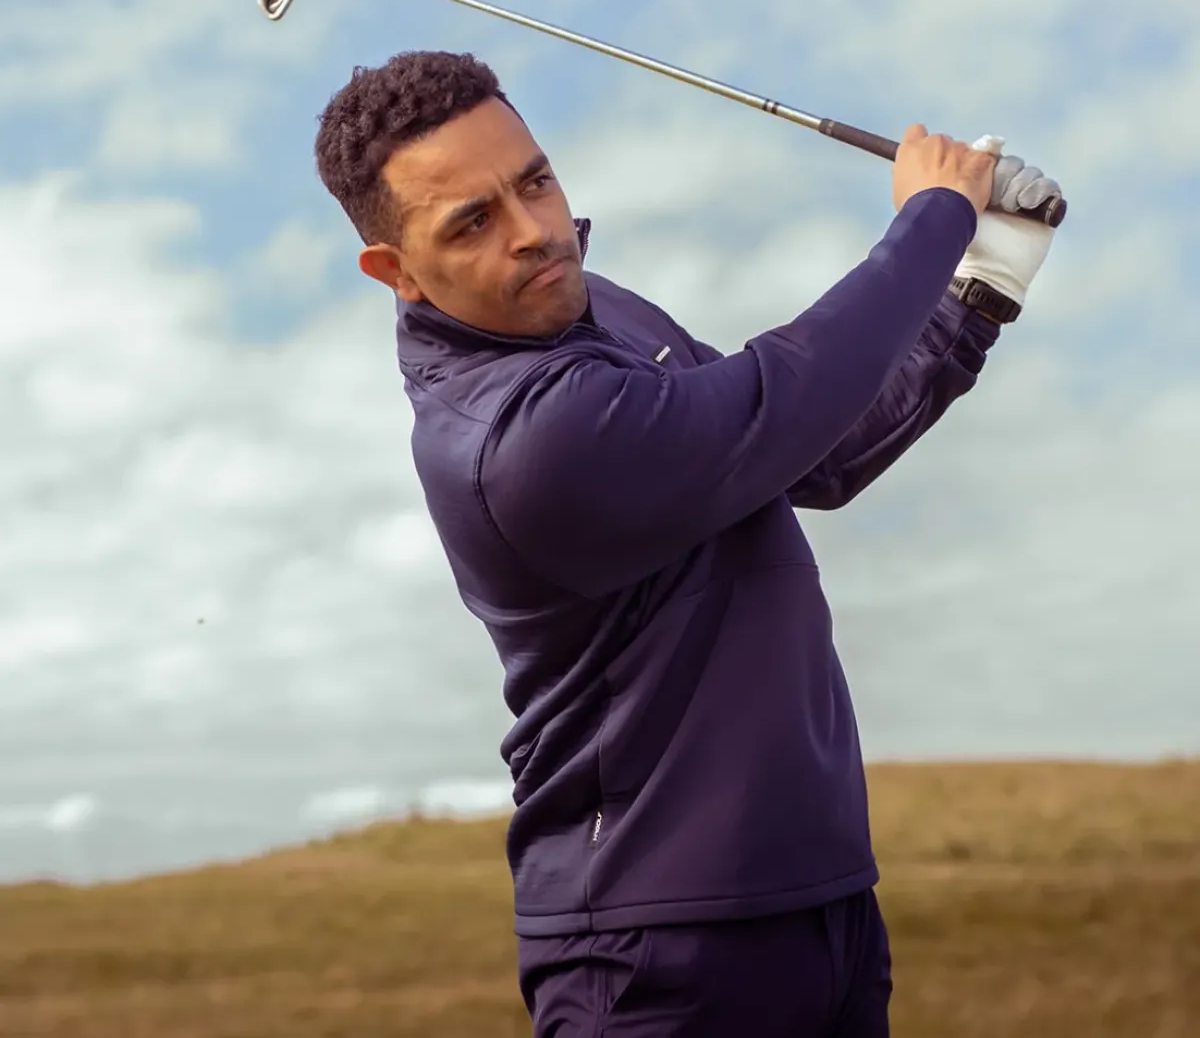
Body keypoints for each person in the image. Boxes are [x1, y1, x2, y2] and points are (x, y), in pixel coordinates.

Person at [313, 50, 1060, 1036]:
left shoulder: (590, 305)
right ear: (397, 271)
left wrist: (980, 286)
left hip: (824, 903)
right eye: (472, 222)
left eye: (535, 182)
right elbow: (777, 400)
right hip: (653, 951)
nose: (534, 232)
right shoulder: (522, 437)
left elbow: (816, 454)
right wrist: (935, 220)